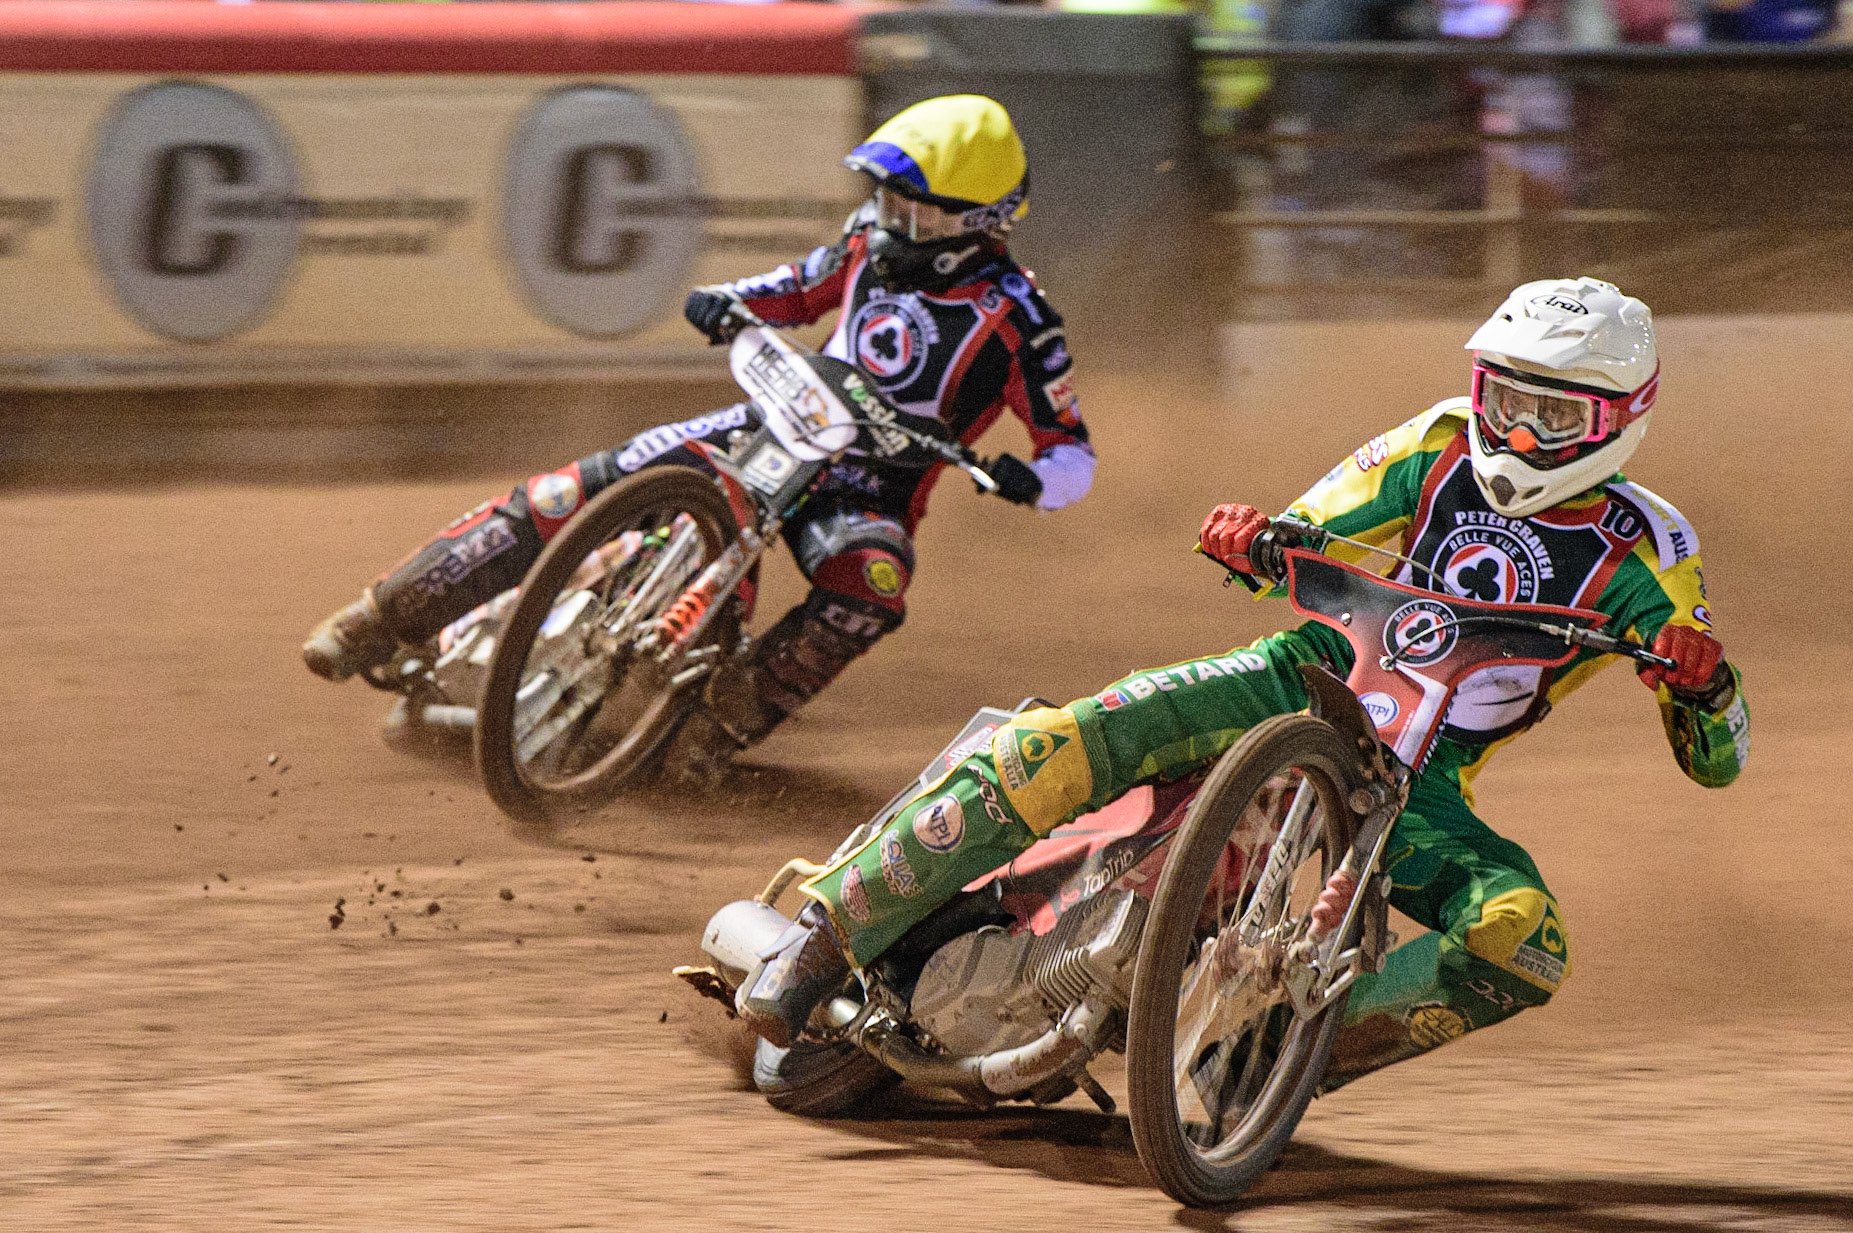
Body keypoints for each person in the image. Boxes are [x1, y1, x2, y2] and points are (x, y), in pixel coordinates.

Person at [739, 276, 1751, 1090]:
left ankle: (1259, 1066)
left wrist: (1703, 690)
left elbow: (1718, 762)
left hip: (1420, 781)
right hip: (1298, 680)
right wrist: (1260, 536)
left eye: (1551, 414)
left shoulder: (1648, 552)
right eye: (1505, 401)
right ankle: (826, 938)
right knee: (1054, 740)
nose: (1517, 434)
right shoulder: (1439, 440)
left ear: (1619, 419)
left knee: (1521, 940)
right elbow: (1323, 515)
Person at [302, 95, 1094, 782]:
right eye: (885, 200)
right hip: (775, 425)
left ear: (975, 221)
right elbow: (788, 290)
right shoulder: (865, 247)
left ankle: (710, 733)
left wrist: (1032, 479)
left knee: (872, 584)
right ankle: (379, 616)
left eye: (911, 210)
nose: (890, 220)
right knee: (574, 490)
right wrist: (724, 299)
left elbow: (1071, 452)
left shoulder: (1023, 320)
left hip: (869, 488)